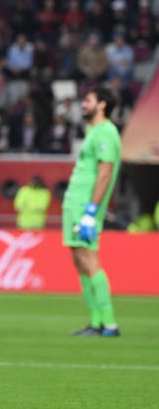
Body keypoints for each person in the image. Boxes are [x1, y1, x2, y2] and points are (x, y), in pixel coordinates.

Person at [65, 88, 122, 337]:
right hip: (76, 204)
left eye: (88, 100)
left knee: (89, 260)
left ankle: (109, 323)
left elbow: (105, 172)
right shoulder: (94, 131)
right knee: (80, 262)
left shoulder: (105, 133)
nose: (83, 104)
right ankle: (97, 321)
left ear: (102, 104)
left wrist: (90, 212)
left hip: (84, 206)